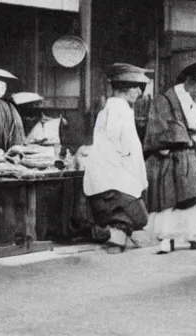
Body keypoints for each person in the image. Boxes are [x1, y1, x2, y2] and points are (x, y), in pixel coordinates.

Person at [143, 60, 196, 254]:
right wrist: (184, 139)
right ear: (194, 79)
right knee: (171, 199)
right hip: (171, 156)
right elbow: (158, 130)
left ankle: (192, 237)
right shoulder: (165, 99)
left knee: (195, 196)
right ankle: (166, 240)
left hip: (194, 155)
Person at [80, 64, 151, 253]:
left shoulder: (117, 108)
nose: (138, 91)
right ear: (123, 87)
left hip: (112, 175)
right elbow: (114, 138)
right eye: (135, 86)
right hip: (113, 177)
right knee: (140, 218)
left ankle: (116, 235)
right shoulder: (117, 107)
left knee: (137, 216)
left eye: (140, 88)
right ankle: (106, 233)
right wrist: (127, 161)